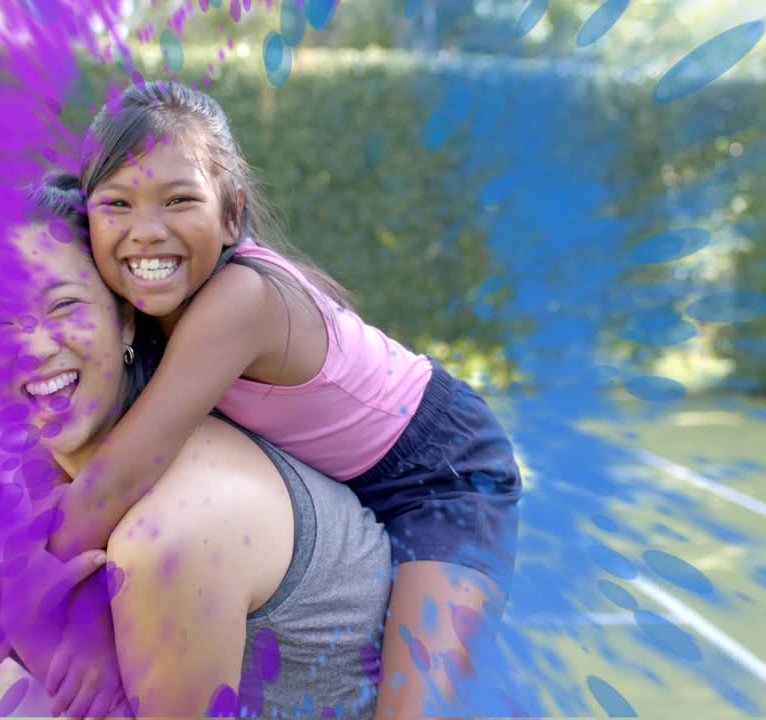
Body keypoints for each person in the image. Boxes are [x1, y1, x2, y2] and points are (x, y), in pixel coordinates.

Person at [43, 80, 524, 714]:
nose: (147, 230)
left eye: (179, 199)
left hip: (446, 479)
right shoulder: (146, 320)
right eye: (117, 204)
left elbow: (124, 473)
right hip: (339, 486)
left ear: (232, 214)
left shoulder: (241, 302)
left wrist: (24, 581)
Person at [0, 176, 393, 717]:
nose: (32, 345)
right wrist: (46, 623)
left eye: (63, 306)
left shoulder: (172, 531)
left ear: (125, 317)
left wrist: (36, 636)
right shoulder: (68, 483)